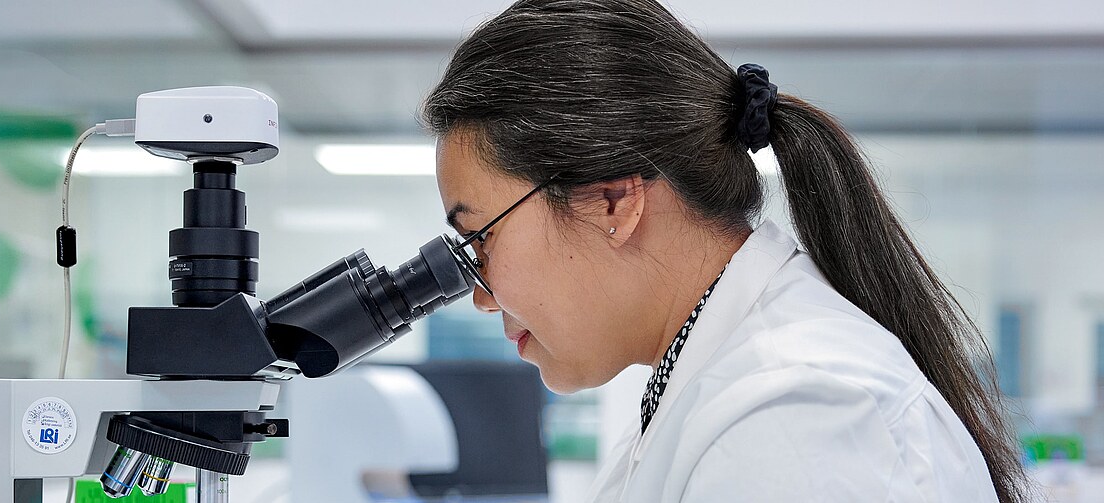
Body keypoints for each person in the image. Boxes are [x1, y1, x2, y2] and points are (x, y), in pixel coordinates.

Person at [424, 0, 1034, 501]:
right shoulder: (712, 385)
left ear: (613, 200)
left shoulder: (795, 418)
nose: (480, 293)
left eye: (481, 236)